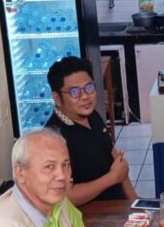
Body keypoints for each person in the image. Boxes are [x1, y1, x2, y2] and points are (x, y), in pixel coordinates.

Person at [0, 129, 155, 227]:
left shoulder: (55, 202)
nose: (61, 176)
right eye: (49, 166)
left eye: (65, 165)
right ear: (20, 173)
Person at [46, 56, 136, 205]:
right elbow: (65, 196)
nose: (85, 96)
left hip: (117, 208)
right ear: (57, 97)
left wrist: (136, 204)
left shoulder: (91, 115)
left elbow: (117, 163)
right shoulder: (53, 139)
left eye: (89, 88)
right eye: (74, 92)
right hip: (89, 215)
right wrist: (112, 178)